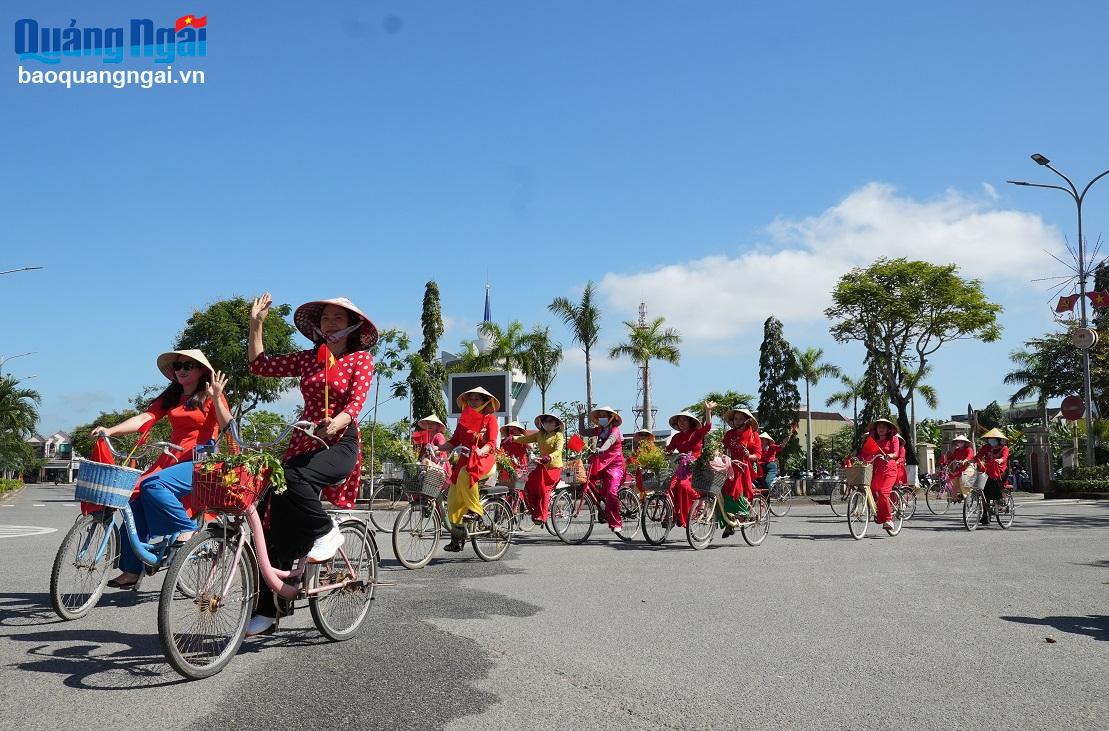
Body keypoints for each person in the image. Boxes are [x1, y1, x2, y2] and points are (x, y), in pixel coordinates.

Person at [246, 294, 376, 635]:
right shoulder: (309, 360)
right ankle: (271, 606)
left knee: (292, 477)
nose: (330, 322)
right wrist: (256, 324)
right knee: (269, 516)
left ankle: (326, 532)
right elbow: (260, 366)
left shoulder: (360, 359)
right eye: (326, 317)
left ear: (352, 326)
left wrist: (337, 422)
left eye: (337, 317)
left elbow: (356, 402)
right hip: (305, 439)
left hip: (340, 441)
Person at [95, 350, 232, 589]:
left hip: (201, 462)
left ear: (201, 370)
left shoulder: (211, 395)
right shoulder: (171, 397)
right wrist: (110, 430)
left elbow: (227, 426)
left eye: (189, 365)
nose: (181, 369)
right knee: (131, 498)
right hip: (171, 459)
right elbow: (144, 418)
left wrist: (218, 397)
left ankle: (186, 528)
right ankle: (131, 569)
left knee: (153, 484)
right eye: (178, 365)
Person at [444, 387, 500, 552]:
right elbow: (453, 441)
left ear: (484, 402)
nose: (473, 402)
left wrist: (481, 450)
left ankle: (476, 510)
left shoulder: (490, 420)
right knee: (453, 499)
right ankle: (457, 539)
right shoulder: (463, 419)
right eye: (471, 399)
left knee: (466, 473)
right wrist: (437, 447)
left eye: (477, 399)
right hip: (465, 461)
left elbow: (491, 443)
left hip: (484, 461)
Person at [665, 401, 715, 528]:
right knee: (669, 487)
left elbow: (707, 427)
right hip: (682, 466)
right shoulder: (676, 437)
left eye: (684, 420)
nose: (681, 423)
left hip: (696, 466)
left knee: (683, 486)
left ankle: (699, 504)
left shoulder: (696, 433)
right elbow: (669, 450)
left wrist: (708, 411)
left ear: (690, 422)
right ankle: (674, 514)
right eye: (679, 421)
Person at [512, 414, 565, 527]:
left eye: (551, 421)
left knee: (544, 490)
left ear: (556, 424)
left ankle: (542, 515)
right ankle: (535, 512)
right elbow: (525, 439)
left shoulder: (558, 435)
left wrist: (549, 457)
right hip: (542, 467)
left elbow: (558, 450)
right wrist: (512, 438)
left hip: (554, 468)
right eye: (545, 421)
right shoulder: (540, 434)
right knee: (529, 485)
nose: (547, 423)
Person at [584, 405, 626, 536]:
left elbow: (610, 441)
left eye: (604, 415)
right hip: (602, 463)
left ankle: (617, 523)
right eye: (600, 415)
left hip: (616, 465)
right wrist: (581, 416)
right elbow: (583, 432)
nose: (601, 418)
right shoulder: (599, 430)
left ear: (611, 417)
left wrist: (602, 449)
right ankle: (601, 506)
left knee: (612, 492)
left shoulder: (615, 430)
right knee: (585, 480)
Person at [720, 407, 761, 537]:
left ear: (747, 420)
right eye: (736, 418)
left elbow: (758, 455)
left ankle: (742, 512)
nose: (738, 421)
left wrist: (749, 455)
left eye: (741, 418)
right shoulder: (729, 434)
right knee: (721, 492)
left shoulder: (753, 436)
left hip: (745, 467)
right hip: (730, 466)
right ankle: (729, 523)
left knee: (735, 490)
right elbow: (722, 448)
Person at [857, 418, 900, 533]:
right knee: (871, 489)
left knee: (883, 493)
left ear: (888, 429)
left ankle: (888, 519)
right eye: (879, 427)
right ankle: (880, 512)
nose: (881, 429)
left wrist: (890, 455)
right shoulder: (872, 440)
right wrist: (861, 460)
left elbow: (896, 453)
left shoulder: (893, 439)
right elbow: (865, 453)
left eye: (884, 427)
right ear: (876, 429)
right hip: (877, 470)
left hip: (889, 470)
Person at [975, 428, 1010, 527]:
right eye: (990, 438)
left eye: (993, 438)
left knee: (993, 481)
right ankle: (985, 516)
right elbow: (978, 456)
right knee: (984, 491)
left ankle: (999, 500)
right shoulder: (986, 447)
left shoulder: (1004, 448)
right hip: (987, 471)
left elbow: (1004, 457)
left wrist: (1000, 460)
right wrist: (973, 461)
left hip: (1001, 471)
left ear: (999, 440)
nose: (991, 440)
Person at [939, 435, 974, 501]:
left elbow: (969, 456)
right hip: (959, 468)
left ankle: (965, 494)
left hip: (967, 468)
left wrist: (964, 461)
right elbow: (952, 458)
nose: (960, 443)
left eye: (962, 442)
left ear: (965, 443)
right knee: (951, 479)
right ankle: (955, 496)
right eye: (958, 442)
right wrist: (945, 464)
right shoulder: (957, 450)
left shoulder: (969, 449)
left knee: (962, 480)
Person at [630, 428, 656, 497]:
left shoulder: (651, 446)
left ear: (648, 437)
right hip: (639, 470)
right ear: (639, 437)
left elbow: (653, 457)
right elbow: (633, 457)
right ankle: (641, 504)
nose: (643, 437)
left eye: (645, 435)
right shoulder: (638, 447)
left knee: (648, 491)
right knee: (639, 488)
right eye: (641, 435)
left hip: (648, 470)